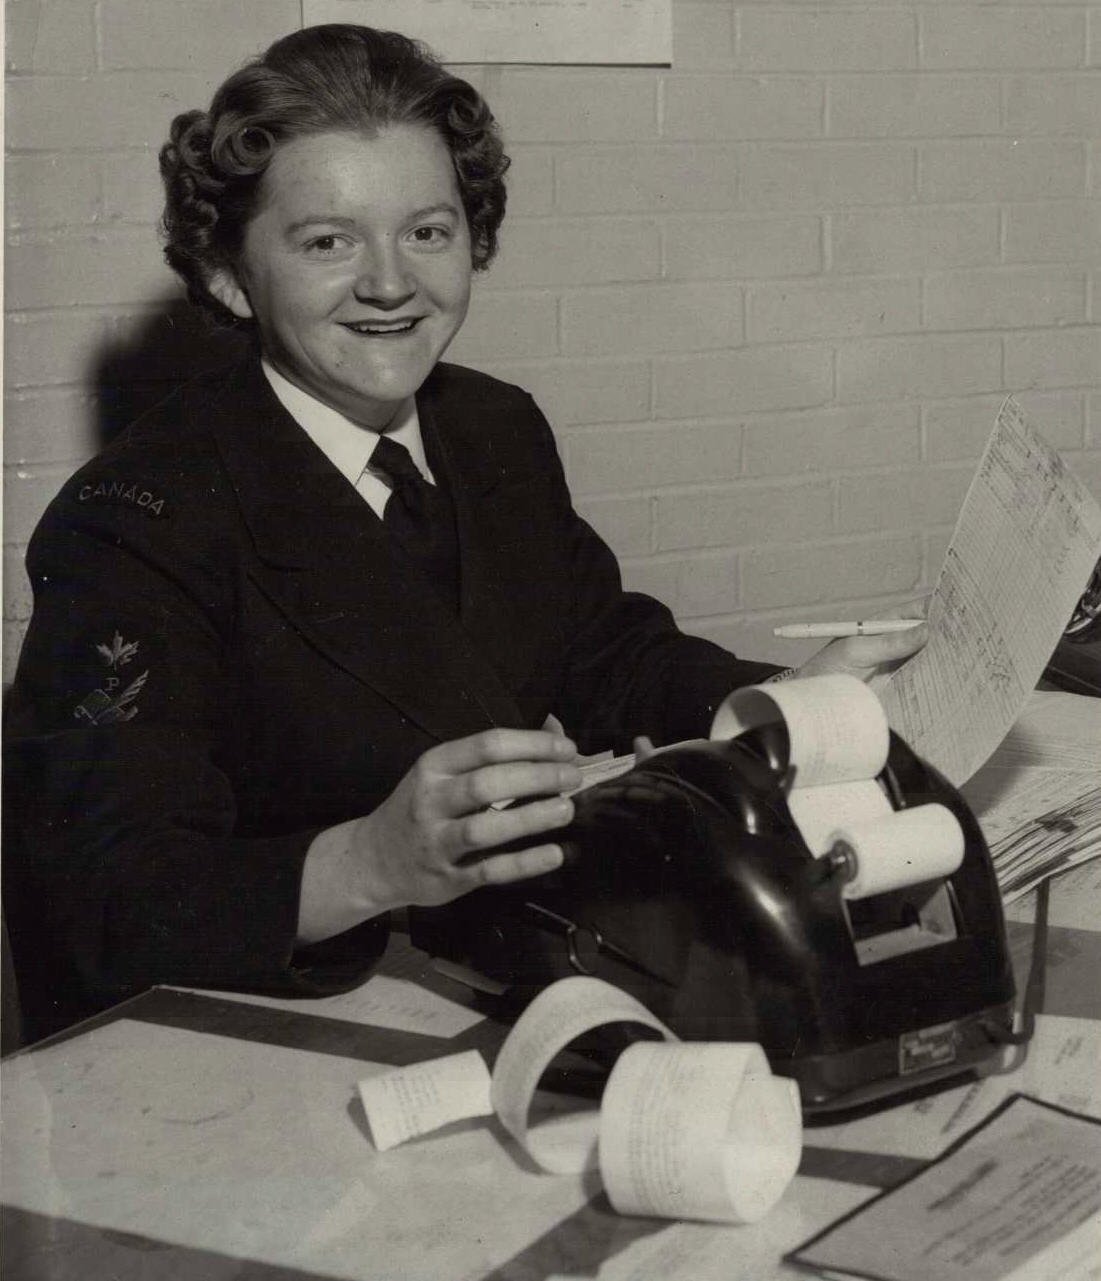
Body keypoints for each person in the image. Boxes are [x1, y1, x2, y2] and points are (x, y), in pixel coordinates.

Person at [3, 24, 926, 1042]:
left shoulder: (493, 427)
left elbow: (604, 650)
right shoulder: (133, 522)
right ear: (228, 272)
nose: (390, 283)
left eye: (428, 232)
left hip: (508, 978)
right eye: (327, 242)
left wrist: (786, 704)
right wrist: (368, 862)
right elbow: (99, 902)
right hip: (267, 1036)